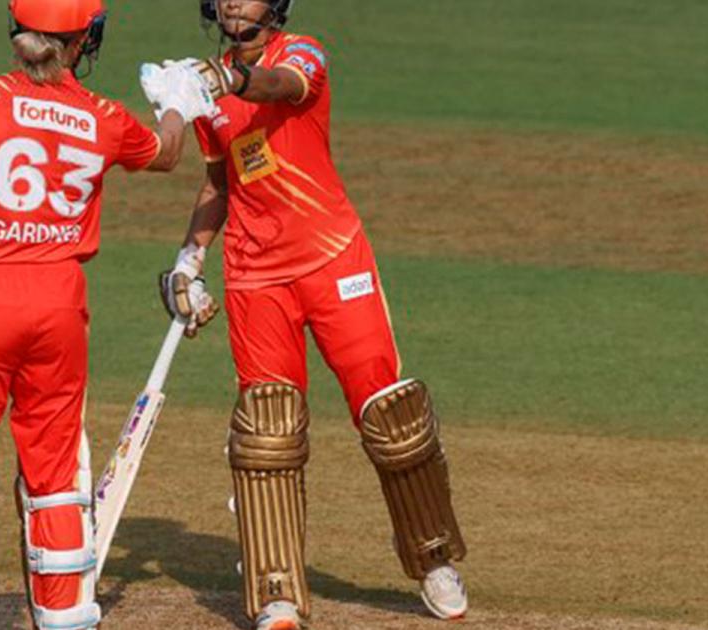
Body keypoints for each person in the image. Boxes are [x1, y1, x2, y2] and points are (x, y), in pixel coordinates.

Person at [0, 1, 217, 628]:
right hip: (58, 305)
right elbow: (168, 152)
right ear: (84, 39)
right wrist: (177, 104)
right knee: (56, 475)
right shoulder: (103, 117)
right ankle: (66, 619)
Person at [141, 1, 469, 627]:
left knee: (389, 414)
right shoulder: (206, 89)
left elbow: (279, 86)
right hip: (255, 275)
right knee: (269, 429)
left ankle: (432, 558)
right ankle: (277, 588)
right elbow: (218, 184)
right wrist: (189, 260)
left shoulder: (301, 53)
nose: (234, 2)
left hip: (332, 257)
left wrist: (220, 79)